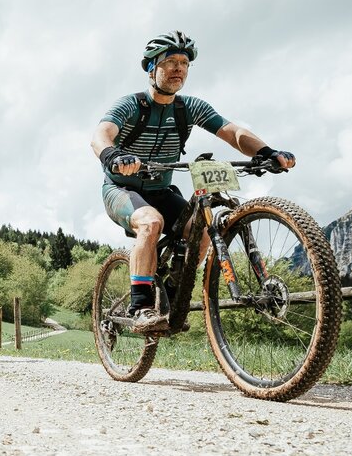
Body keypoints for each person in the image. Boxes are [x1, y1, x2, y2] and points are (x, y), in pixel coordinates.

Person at [90, 30, 296, 333]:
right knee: (150, 222)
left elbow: (231, 131)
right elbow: (101, 134)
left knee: (201, 233)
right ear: (151, 68)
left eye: (184, 63)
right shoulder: (132, 106)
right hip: (122, 188)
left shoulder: (190, 108)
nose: (178, 69)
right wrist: (112, 155)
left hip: (161, 190)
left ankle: (174, 291)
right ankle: (141, 308)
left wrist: (267, 152)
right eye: (170, 62)